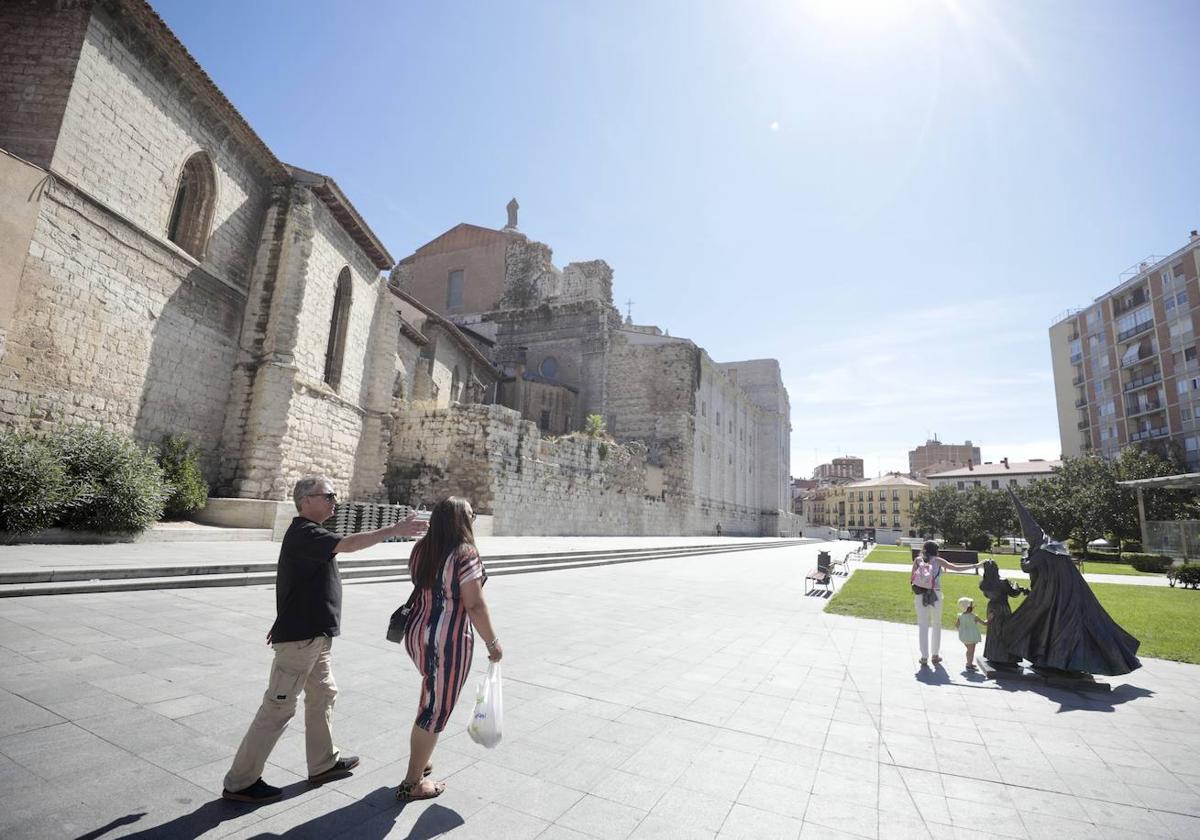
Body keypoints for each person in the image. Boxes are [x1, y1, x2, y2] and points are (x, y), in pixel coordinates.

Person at [221, 476, 428, 804]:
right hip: (301, 638)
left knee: (324, 693)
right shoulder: (305, 532)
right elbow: (349, 544)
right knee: (278, 707)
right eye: (328, 495)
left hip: (314, 637)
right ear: (305, 501)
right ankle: (240, 782)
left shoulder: (311, 534)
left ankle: (323, 763)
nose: (335, 501)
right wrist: (392, 531)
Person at [398, 497, 502, 802]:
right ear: (461, 519)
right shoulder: (465, 553)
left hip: (418, 633)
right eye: (472, 514)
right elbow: (474, 604)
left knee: (430, 695)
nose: (474, 518)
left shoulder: (422, 549)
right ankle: (411, 783)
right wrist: (493, 643)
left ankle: (422, 756)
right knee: (435, 709)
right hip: (448, 641)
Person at [911, 540, 982, 666]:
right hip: (936, 594)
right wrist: (976, 566)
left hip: (920, 594)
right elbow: (957, 568)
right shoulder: (938, 561)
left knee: (923, 625)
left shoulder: (918, 560)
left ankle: (923, 656)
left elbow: (912, 578)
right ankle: (935, 655)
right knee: (936, 624)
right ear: (935, 550)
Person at [955, 596, 987, 671]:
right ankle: (969, 664)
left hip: (963, 637)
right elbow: (984, 623)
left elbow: (957, 625)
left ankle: (969, 663)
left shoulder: (960, 616)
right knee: (971, 651)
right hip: (971, 637)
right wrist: (990, 618)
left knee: (969, 650)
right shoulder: (974, 617)